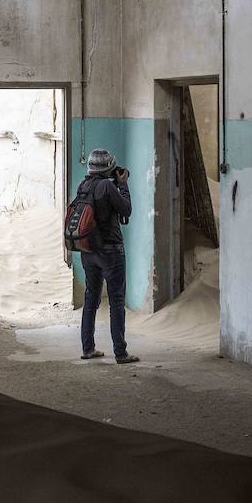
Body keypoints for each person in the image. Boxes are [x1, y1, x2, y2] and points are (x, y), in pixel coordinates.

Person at [77, 148, 138, 365]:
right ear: (109, 168)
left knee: (91, 299)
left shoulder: (84, 185)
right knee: (117, 301)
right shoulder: (108, 186)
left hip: (88, 250)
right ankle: (120, 352)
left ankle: (88, 348)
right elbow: (126, 210)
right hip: (111, 250)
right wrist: (123, 184)